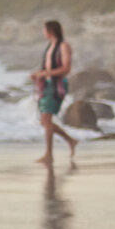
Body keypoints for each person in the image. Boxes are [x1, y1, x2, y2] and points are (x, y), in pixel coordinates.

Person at [30, 19, 77, 163]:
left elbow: (66, 69)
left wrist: (44, 74)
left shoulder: (64, 46)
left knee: (46, 120)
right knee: (44, 121)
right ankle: (70, 141)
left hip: (57, 85)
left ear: (50, 31)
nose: (43, 33)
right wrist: (39, 73)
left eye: (44, 30)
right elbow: (48, 69)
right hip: (47, 85)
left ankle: (49, 154)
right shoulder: (50, 46)